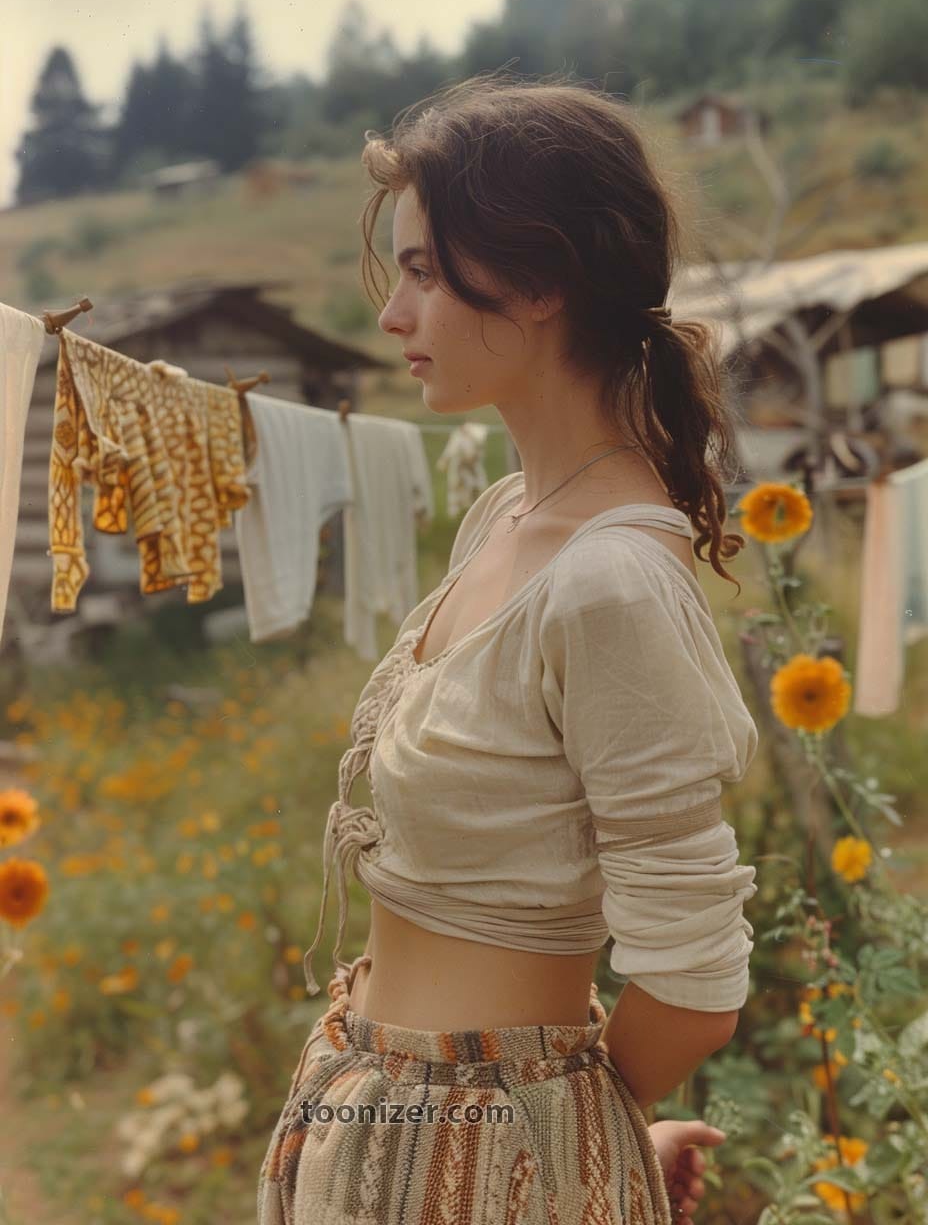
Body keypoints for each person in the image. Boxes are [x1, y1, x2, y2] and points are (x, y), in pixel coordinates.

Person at [258, 71, 758, 1225]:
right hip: (371, 1103)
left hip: (485, 1165)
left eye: (426, 272)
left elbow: (692, 980)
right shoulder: (505, 514)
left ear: (537, 281)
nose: (394, 317)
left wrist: (577, 1140)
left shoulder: (609, 581)